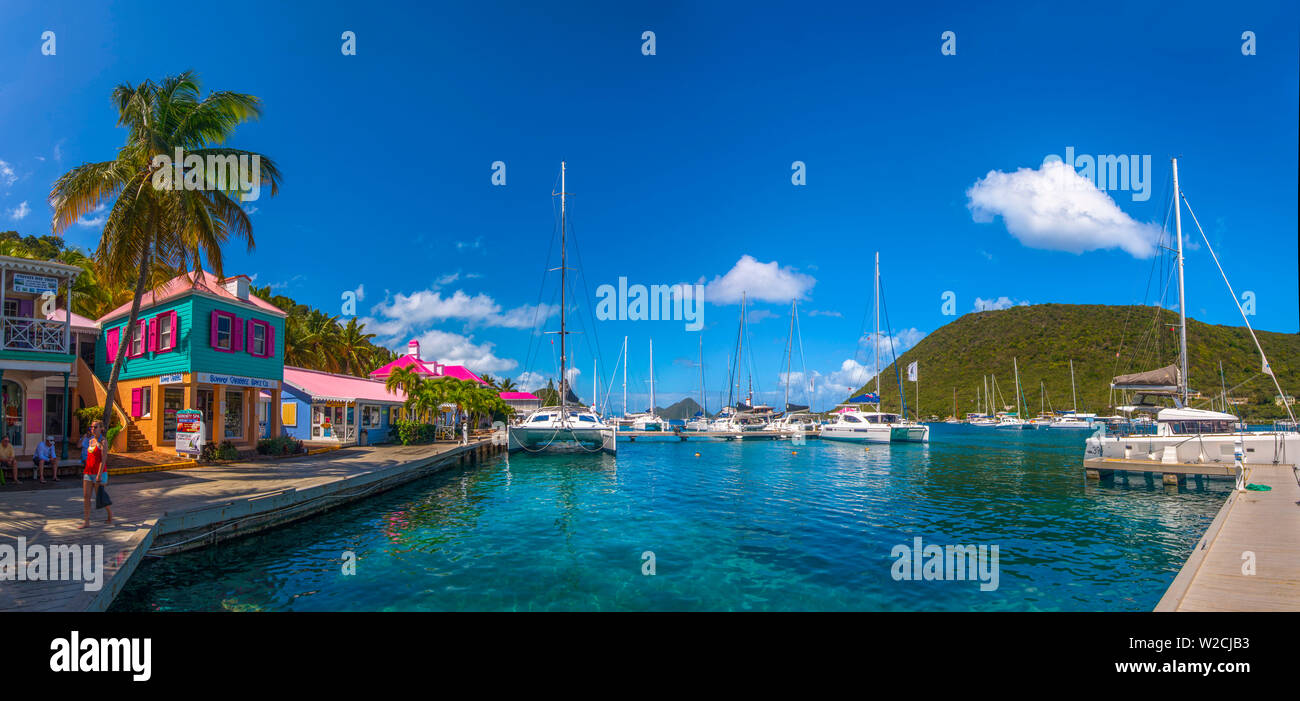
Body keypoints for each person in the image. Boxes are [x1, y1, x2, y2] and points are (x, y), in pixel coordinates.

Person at [80, 421, 112, 528]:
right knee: (86, 497)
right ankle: (86, 521)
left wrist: (99, 474)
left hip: (99, 473)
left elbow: (103, 460)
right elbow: (80, 446)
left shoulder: (103, 442)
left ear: (101, 428)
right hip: (88, 472)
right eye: (91, 427)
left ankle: (109, 514)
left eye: (95, 427)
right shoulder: (90, 440)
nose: (92, 429)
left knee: (100, 496)